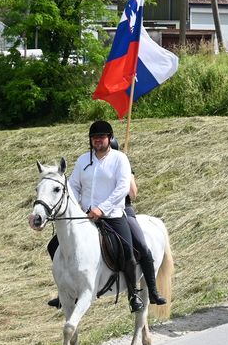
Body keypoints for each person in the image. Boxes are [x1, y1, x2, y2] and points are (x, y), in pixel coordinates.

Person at [46, 135, 166, 308]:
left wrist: (127, 174)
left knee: (140, 245)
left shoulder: (121, 164)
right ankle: (64, 290)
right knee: (53, 244)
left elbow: (132, 194)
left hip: (121, 211)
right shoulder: (91, 165)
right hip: (92, 213)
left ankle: (149, 292)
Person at [62, 120, 143, 312]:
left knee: (127, 250)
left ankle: (133, 294)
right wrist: (75, 207)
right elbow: (73, 185)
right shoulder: (83, 160)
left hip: (112, 216)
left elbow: (122, 188)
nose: (97, 140)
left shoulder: (120, 159)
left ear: (110, 138)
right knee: (56, 245)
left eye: (101, 137)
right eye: (94, 138)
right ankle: (64, 290)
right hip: (85, 216)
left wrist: (102, 209)